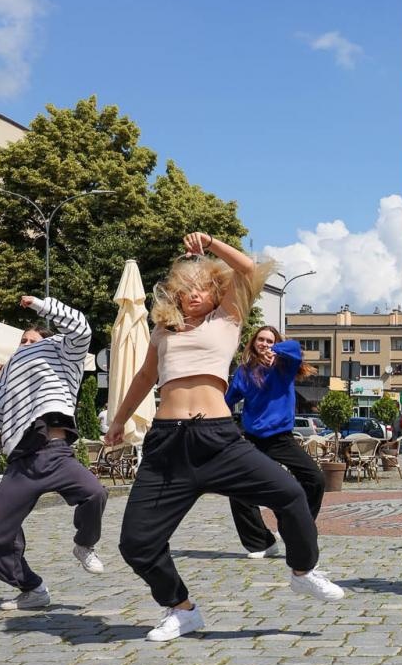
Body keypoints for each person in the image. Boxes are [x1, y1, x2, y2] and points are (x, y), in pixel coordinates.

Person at [106, 233, 345, 642]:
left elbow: (248, 270)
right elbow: (145, 377)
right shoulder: (163, 333)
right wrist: (117, 420)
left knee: (290, 493)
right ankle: (180, 609)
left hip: (218, 439)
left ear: (216, 292)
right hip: (167, 446)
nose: (192, 295)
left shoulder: (228, 319)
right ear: (175, 296)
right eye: (184, 290)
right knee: (136, 543)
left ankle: (303, 570)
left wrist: (211, 243)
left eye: (200, 288)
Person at [0, 295, 108, 611]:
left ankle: (84, 545)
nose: (25, 342)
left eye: (32, 338)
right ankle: (32, 588)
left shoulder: (63, 352)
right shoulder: (10, 368)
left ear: (48, 339)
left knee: (95, 493)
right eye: (21, 339)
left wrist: (42, 306)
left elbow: (81, 329)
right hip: (21, 462)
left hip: (56, 453)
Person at [224, 325, 326, 560]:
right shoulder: (244, 372)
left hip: (281, 439)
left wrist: (276, 350)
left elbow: (295, 348)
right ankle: (262, 542)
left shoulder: (285, 366)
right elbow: (226, 401)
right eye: (261, 340)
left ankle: (298, 529)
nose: (265, 344)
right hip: (253, 439)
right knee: (236, 488)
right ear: (253, 343)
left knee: (315, 479)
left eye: (270, 340)